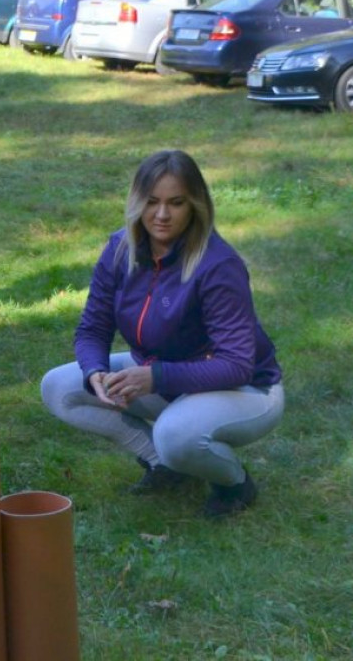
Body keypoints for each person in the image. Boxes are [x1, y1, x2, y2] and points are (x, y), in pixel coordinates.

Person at [41, 150, 284, 519]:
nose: (162, 215)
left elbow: (236, 364)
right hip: (162, 376)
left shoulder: (219, 265)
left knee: (175, 434)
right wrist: (95, 372)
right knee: (60, 388)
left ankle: (234, 484)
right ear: (137, 202)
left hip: (247, 389)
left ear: (195, 206)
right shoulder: (120, 250)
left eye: (176, 202)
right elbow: (93, 327)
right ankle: (164, 467)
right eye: (151, 202)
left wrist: (155, 377)